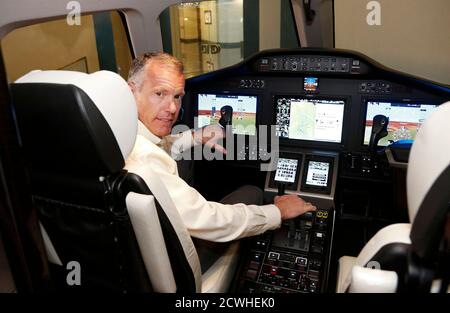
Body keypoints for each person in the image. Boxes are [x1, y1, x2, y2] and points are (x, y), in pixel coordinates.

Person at [125, 52, 316, 247]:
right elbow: (208, 219)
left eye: (177, 96)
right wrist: (277, 212)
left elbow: (159, 145)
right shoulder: (146, 158)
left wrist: (194, 136)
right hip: (183, 257)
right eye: (159, 93)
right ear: (132, 91)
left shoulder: (121, 136)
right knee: (253, 192)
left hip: (150, 241)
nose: (173, 108)